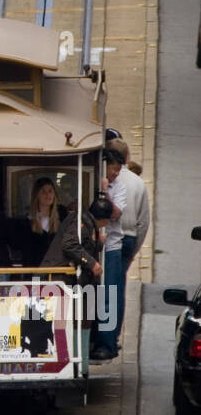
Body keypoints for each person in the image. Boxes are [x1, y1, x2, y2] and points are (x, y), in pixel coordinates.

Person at [42, 198, 110, 373]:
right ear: (104, 220)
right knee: (67, 322)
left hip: (68, 281)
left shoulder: (86, 221)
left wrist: (98, 243)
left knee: (80, 320)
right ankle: (72, 367)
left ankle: (78, 366)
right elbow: (70, 245)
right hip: (58, 279)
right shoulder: (81, 221)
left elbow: (85, 245)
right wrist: (93, 263)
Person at [109, 138, 150, 331]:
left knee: (109, 287)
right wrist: (135, 249)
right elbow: (143, 221)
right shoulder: (138, 183)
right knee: (119, 287)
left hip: (112, 238)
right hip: (130, 238)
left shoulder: (111, 178)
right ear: (127, 157)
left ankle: (106, 333)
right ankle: (115, 332)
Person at [90, 147, 127, 360]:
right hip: (92, 246)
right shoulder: (95, 180)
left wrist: (105, 193)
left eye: (118, 170)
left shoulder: (119, 187)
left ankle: (107, 343)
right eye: (113, 170)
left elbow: (114, 212)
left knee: (109, 293)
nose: (115, 174)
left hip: (111, 245)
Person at [18, 177, 67, 267]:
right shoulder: (27, 221)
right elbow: (27, 252)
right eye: (43, 192)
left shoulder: (62, 215)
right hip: (36, 272)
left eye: (50, 191)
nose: (48, 195)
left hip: (58, 272)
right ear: (37, 195)